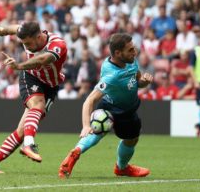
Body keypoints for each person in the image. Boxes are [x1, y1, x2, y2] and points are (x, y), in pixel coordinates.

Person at [58, 33, 153, 178]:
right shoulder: (111, 76)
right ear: (117, 53)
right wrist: (85, 125)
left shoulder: (130, 60)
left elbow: (136, 80)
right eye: (130, 50)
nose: (135, 52)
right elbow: (89, 100)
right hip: (119, 109)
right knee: (128, 138)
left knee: (105, 133)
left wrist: (144, 82)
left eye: (133, 48)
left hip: (124, 108)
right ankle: (121, 167)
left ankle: (78, 151)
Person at [0, 21, 67, 173]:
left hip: (50, 86)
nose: (26, 46)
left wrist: (19, 66)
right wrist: (3, 31)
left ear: (39, 36)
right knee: (37, 106)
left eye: (28, 43)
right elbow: (14, 28)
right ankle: (29, 144)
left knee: (23, 130)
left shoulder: (58, 45)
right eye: (24, 43)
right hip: (30, 77)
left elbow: (42, 60)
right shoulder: (26, 34)